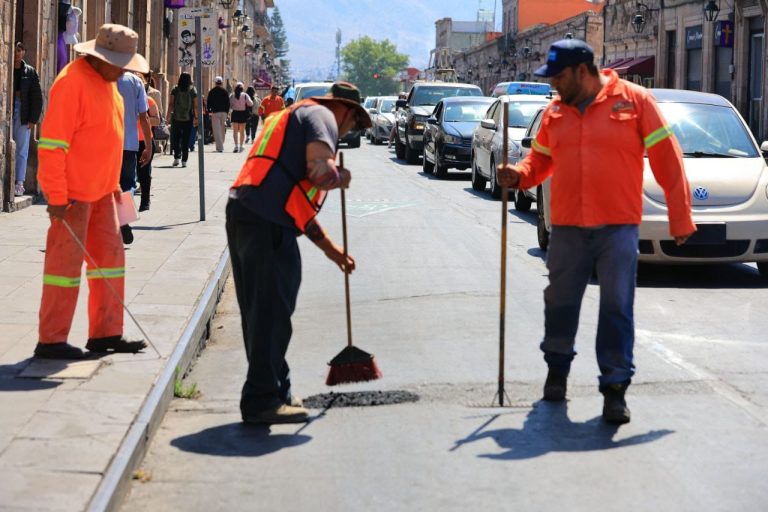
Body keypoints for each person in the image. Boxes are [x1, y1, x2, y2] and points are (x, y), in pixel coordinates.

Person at [496, 39, 696, 424]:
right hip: (568, 226)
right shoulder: (556, 112)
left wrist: (680, 218)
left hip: (618, 226)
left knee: (617, 307)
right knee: (559, 301)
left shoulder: (634, 101)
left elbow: (667, 157)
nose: (553, 83)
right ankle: (557, 370)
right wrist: (518, 175)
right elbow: (539, 160)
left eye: (558, 76)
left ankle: (615, 390)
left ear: (582, 72)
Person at [226, 81, 372, 424]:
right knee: (272, 314)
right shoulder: (323, 116)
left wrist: (332, 251)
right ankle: (261, 400)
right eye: (354, 123)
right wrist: (339, 176)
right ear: (345, 111)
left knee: (262, 312)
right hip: (265, 221)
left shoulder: (291, 115)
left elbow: (294, 201)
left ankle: (278, 390)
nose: (350, 131)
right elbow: (319, 174)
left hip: (247, 213)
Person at [34, 23, 149, 359]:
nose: (123, 69)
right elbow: (53, 146)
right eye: (118, 62)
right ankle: (51, 340)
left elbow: (106, 141)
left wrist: (114, 187)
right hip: (72, 197)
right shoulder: (72, 83)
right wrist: (56, 197)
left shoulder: (108, 83)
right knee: (63, 270)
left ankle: (106, 334)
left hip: (103, 193)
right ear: (99, 58)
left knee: (111, 263)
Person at [116, 70, 152, 244]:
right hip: (129, 143)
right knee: (128, 184)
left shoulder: (101, 77)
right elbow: (144, 117)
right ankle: (124, 219)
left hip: (105, 144)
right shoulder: (135, 82)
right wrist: (149, 145)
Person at [12, 41, 43, 197]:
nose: (17, 53)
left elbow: (37, 98)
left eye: (20, 50)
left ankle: (19, 183)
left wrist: (33, 119)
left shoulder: (30, 72)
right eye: (15, 50)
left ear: (23, 52)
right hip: (9, 109)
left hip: (23, 113)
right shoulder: (8, 69)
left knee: (22, 149)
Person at [137, 72, 160, 212]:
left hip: (144, 141)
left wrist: (141, 118)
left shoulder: (149, 101)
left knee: (143, 173)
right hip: (128, 141)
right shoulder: (123, 100)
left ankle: (145, 201)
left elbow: (157, 120)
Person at [167, 72, 198, 167]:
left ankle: (176, 158)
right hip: (188, 118)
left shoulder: (175, 89)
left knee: (176, 138)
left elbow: (171, 104)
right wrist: (196, 117)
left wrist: (168, 116)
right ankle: (184, 160)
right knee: (186, 139)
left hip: (176, 117)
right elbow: (195, 106)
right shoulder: (193, 90)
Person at [207, 75, 230, 152]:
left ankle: (220, 147)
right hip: (224, 113)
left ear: (215, 83)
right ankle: (221, 145)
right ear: (221, 83)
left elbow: (208, 102)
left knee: (216, 130)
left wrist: (209, 111)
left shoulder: (212, 91)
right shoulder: (225, 91)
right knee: (223, 129)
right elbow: (228, 103)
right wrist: (227, 112)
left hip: (215, 113)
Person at [229, 82, 253, 153]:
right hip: (243, 114)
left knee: (235, 131)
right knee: (242, 131)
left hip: (235, 113)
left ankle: (236, 146)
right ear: (242, 88)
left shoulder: (232, 95)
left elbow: (230, 105)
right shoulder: (245, 95)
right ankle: (241, 146)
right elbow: (251, 103)